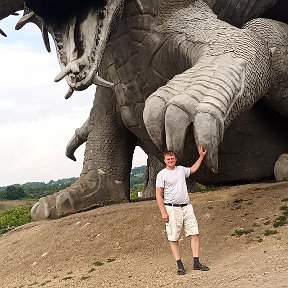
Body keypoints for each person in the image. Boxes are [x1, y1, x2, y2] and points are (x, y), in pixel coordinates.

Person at [155, 145, 209, 275]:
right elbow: (158, 194)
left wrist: (201, 157)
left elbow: (193, 169)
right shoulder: (162, 175)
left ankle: (196, 263)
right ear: (164, 160)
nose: (170, 160)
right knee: (173, 237)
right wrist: (163, 212)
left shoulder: (181, 170)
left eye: (172, 158)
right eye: (168, 159)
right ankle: (179, 265)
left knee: (194, 233)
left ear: (176, 159)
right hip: (172, 208)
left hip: (186, 206)